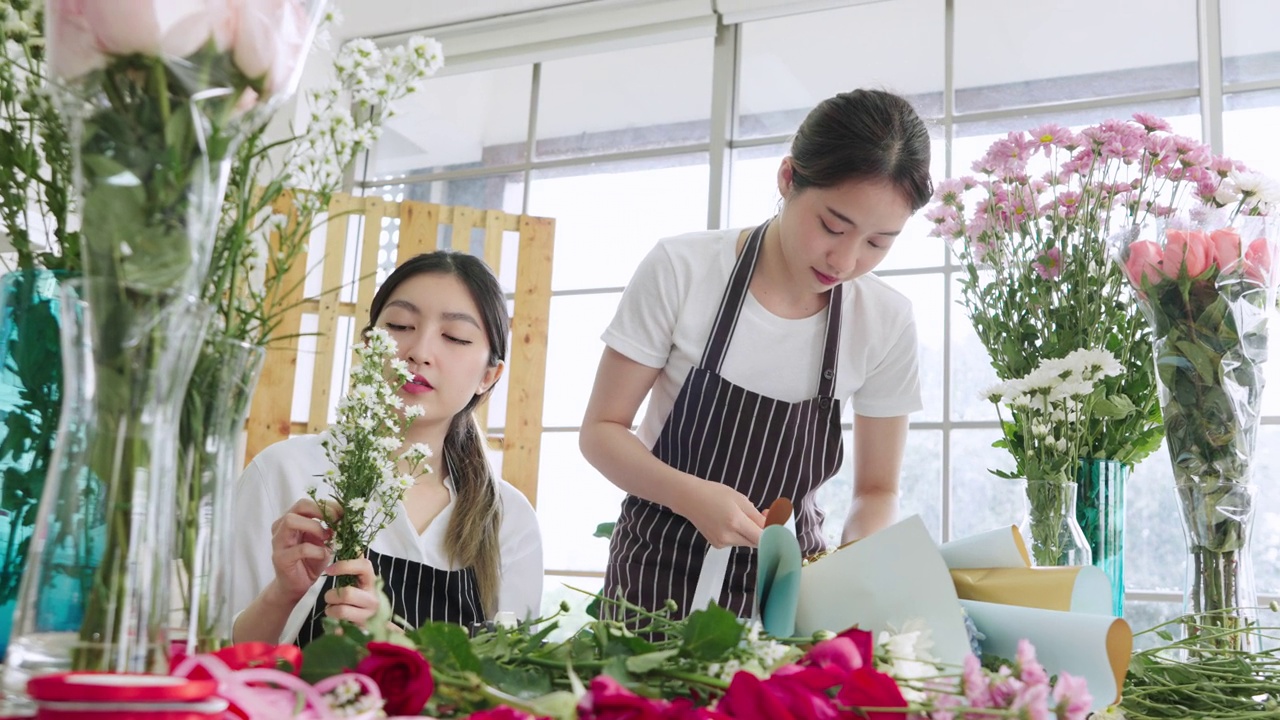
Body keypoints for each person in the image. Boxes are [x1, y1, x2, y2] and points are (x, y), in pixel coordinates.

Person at [580, 89, 932, 618]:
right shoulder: (684, 268)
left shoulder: (884, 319)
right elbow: (601, 432)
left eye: (878, 243)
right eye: (833, 227)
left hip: (792, 590)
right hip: (654, 576)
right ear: (788, 179)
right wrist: (691, 496)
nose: (845, 259)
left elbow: (877, 489)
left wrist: (857, 566)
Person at [231, 251, 543, 645]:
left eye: (455, 337)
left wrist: (402, 644)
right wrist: (282, 593)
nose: (419, 352)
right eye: (400, 325)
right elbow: (224, 659)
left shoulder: (510, 520)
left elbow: (507, 685)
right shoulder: (283, 471)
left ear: (489, 375)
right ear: (368, 345)